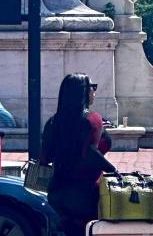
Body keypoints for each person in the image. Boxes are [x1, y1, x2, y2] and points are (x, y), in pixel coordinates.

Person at [40, 74, 115, 235]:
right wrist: (112, 169)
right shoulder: (92, 119)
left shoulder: (53, 122)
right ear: (84, 92)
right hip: (86, 193)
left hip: (58, 192)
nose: (94, 91)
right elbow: (89, 152)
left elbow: (45, 158)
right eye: (92, 87)